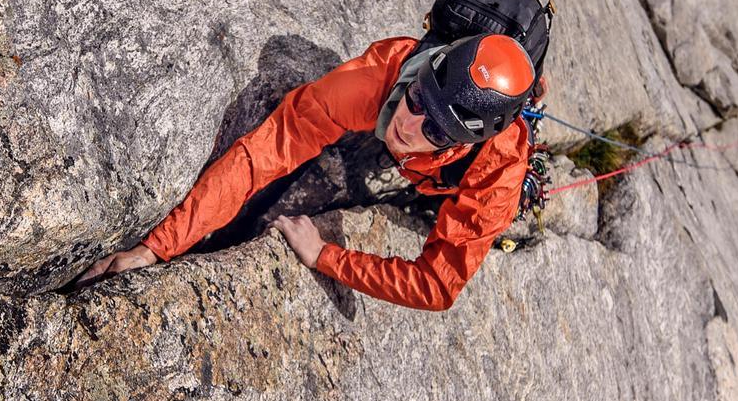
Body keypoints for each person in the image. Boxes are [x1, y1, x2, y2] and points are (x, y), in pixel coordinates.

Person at [78, 22, 542, 311]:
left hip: (461, 178)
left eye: (436, 131)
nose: (407, 124)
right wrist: (156, 248)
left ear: (468, 141)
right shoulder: (373, 80)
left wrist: (326, 256)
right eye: (418, 98)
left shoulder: (495, 175)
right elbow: (260, 155)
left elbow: (436, 285)